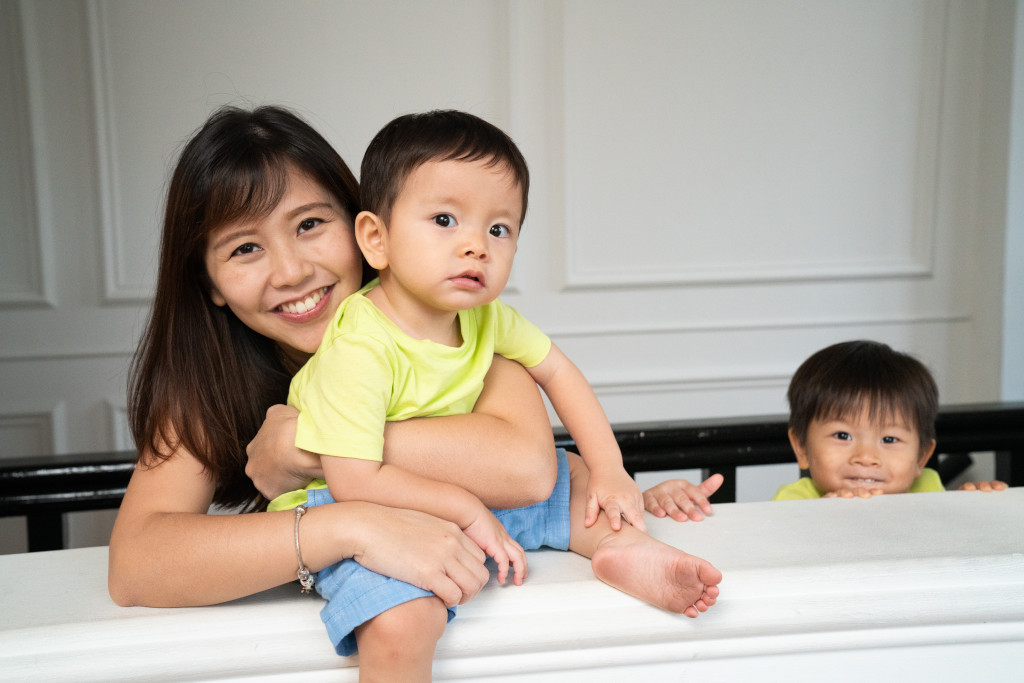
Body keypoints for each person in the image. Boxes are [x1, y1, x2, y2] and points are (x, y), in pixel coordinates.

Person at [108, 104, 719, 682]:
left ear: (365, 228)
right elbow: (135, 565)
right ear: (209, 282)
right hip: (389, 540)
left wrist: (310, 448)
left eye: (311, 225)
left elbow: (529, 470)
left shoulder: (451, 318)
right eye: (245, 248)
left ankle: (631, 554)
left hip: (472, 528)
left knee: (577, 480)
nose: (290, 271)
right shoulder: (207, 385)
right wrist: (348, 529)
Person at [772, 340, 1009, 500]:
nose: (866, 457)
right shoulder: (794, 503)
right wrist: (819, 522)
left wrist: (977, 511)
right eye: (843, 435)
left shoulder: (929, 492)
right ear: (801, 447)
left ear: (921, 457)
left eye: (889, 438)